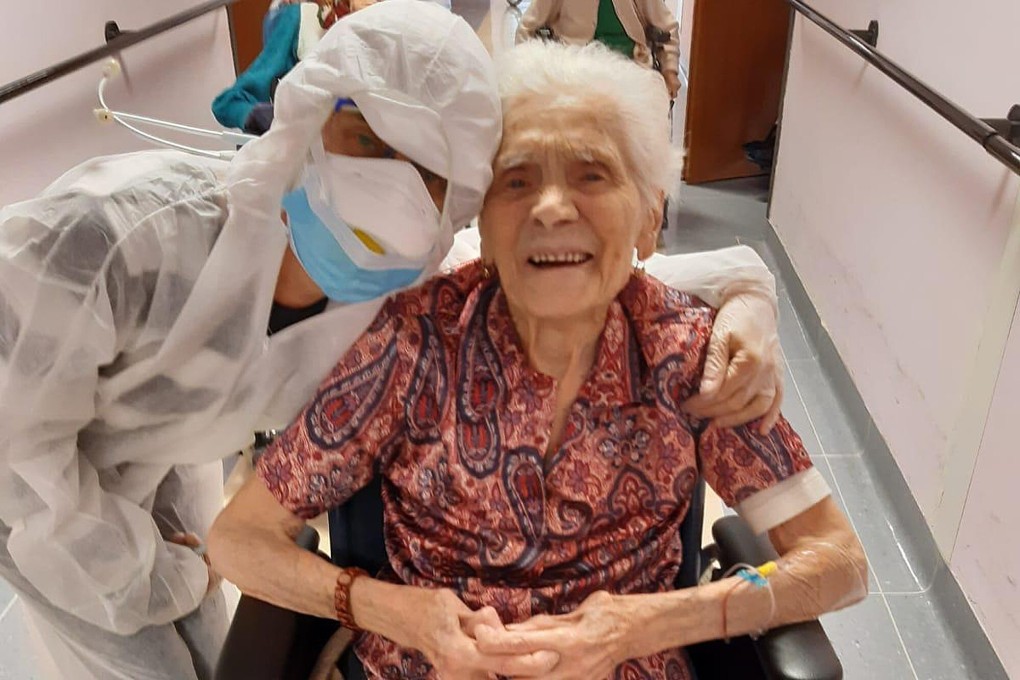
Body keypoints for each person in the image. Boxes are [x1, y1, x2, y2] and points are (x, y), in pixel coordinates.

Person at [0, 3, 782, 679]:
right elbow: (23, 458)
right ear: (306, 117)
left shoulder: (407, 281)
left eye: (428, 169)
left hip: (165, 448)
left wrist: (748, 294)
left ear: (454, 201)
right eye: (366, 137)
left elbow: (589, 260)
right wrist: (153, 575)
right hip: (24, 479)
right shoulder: (109, 240)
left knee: (208, 640)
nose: (393, 182)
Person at [208, 38, 868, 680]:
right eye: (517, 180)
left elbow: (838, 562)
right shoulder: (414, 343)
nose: (551, 208)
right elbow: (240, 538)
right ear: (483, 225)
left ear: (648, 215)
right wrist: (397, 612)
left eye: (592, 173)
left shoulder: (688, 357)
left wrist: (650, 625)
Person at [516, 0, 682, 99]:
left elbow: (667, 27)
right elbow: (528, 27)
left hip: (630, 67)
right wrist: (523, 71)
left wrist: (670, 70)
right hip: (572, 66)